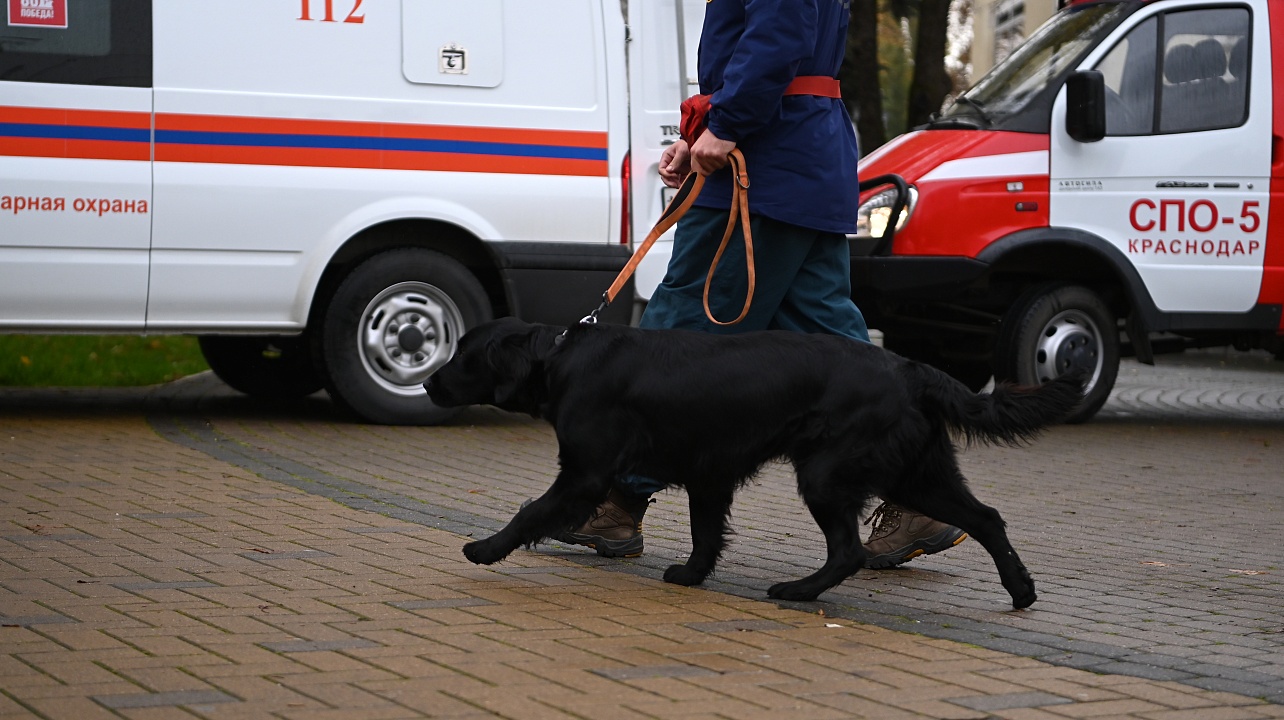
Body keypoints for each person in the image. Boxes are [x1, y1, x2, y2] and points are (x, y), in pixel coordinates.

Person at [554, 0, 966, 569]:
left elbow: (775, 38)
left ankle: (615, 499)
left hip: (764, 162)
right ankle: (920, 493)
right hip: (801, 159)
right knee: (832, 340)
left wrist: (726, 125)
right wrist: (706, 130)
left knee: (679, 336)